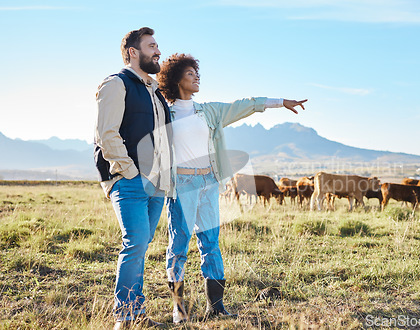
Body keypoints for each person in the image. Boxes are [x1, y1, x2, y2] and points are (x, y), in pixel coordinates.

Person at [156, 53, 306, 323]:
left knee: (211, 244)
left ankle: (217, 307)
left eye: (196, 72)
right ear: (176, 78)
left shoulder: (209, 111)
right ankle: (179, 310)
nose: (196, 77)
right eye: (190, 73)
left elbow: (244, 105)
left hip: (208, 183)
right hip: (181, 185)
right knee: (179, 245)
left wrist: (280, 102)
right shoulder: (163, 112)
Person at [94, 27, 171, 329]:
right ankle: (125, 317)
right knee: (135, 242)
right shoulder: (116, 84)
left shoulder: (155, 92)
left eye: (157, 46)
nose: (158, 52)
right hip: (130, 180)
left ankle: (136, 314)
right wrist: (130, 171)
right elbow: (106, 134)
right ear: (132, 52)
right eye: (152, 46)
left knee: (141, 245)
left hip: (157, 182)